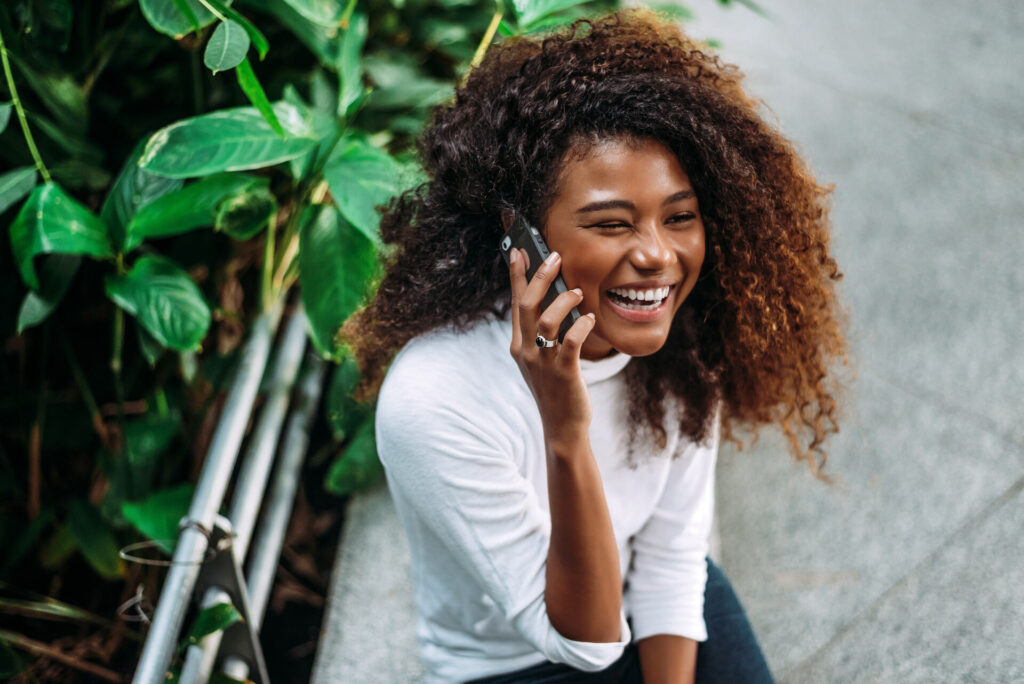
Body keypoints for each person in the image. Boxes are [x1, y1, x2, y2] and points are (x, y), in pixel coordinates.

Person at [341, 9, 846, 683]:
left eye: (680, 217)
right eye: (611, 223)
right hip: (514, 662)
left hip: (646, 597)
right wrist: (564, 425)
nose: (657, 256)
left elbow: (671, 559)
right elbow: (588, 644)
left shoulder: (686, 338)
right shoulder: (433, 400)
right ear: (522, 238)